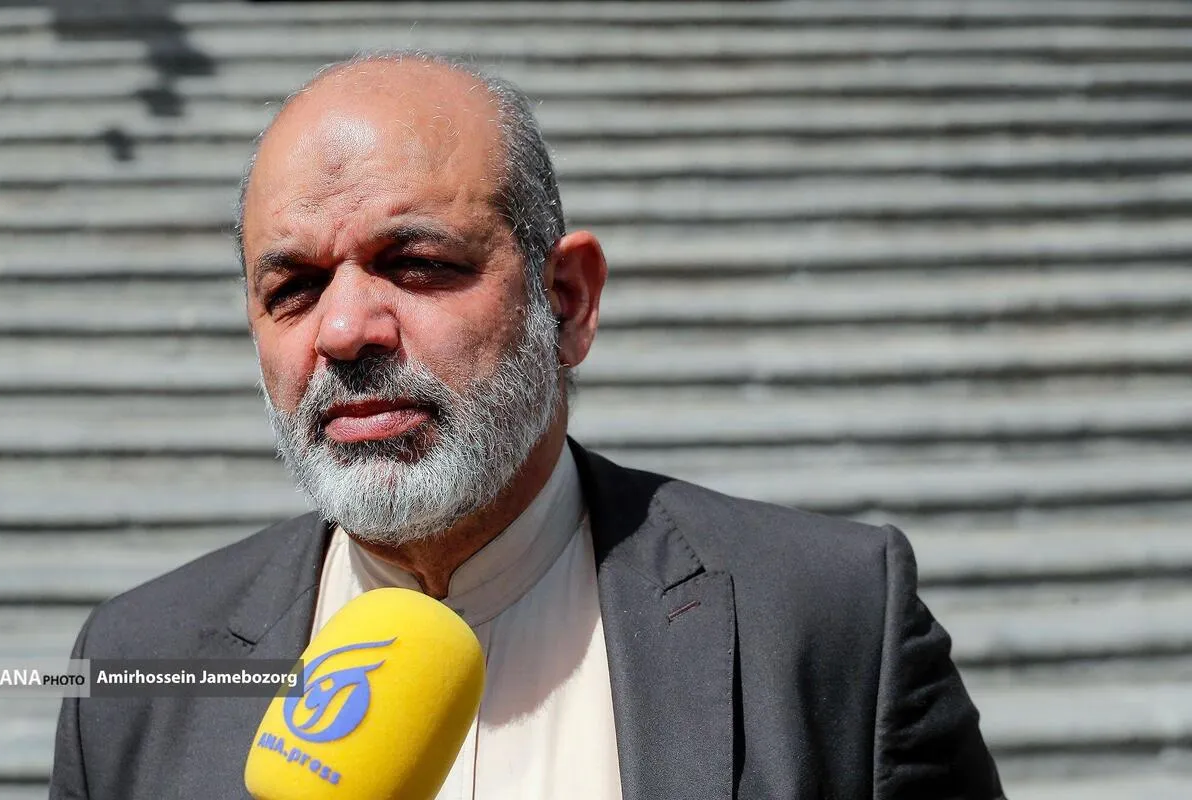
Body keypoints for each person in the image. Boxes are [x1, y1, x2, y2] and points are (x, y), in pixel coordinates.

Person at [49, 52, 1004, 800]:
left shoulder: (833, 623)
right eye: (293, 287)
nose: (343, 331)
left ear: (568, 300)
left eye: (417, 263)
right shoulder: (130, 675)